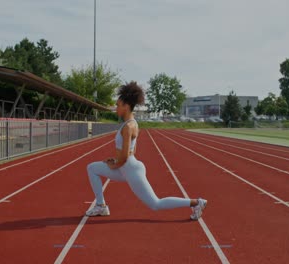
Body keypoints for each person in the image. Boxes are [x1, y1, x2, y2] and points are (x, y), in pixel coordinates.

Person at [85, 81, 207, 220]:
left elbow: (125, 157)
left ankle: (197, 203)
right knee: (92, 168)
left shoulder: (128, 127)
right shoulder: (131, 124)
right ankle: (101, 206)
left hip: (130, 169)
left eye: (118, 105)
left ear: (126, 106)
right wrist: (115, 160)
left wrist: (114, 164)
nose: (116, 108)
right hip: (126, 167)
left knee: (155, 204)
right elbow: (132, 150)